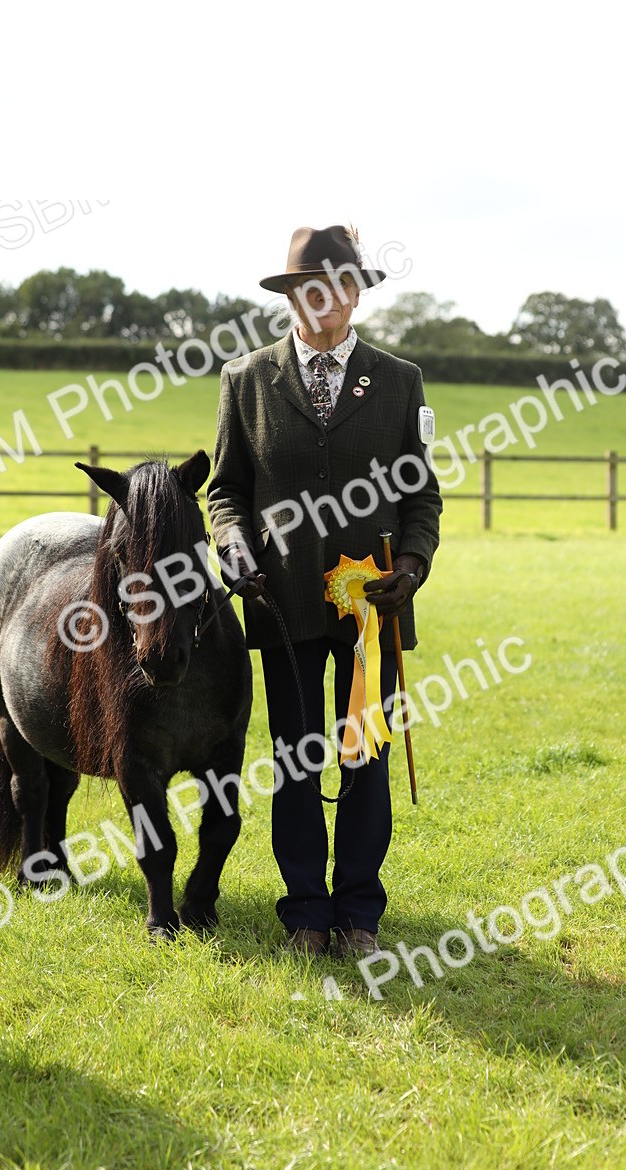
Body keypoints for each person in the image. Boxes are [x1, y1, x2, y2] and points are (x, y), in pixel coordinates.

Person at [207, 224, 442, 958]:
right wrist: (234, 549)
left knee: (364, 758)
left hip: (376, 608)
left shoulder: (399, 380)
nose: (326, 299)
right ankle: (307, 914)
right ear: (291, 296)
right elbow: (226, 491)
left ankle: (359, 917)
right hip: (282, 604)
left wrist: (412, 565)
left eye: (340, 285)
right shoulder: (245, 379)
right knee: (297, 760)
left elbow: (421, 495)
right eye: (310, 287)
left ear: (357, 295)